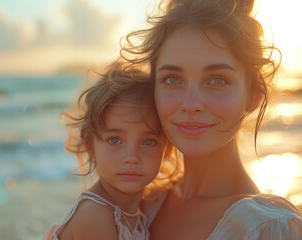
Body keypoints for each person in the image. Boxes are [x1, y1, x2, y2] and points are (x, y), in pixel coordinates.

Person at [120, 0, 302, 239]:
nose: (191, 104)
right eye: (172, 79)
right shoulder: (139, 206)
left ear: (253, 96)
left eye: (217, 80)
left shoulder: (270, 228)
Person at [44, 62, 178, 240]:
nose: (132, 157)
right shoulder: (95, 216)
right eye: (114, 140)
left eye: (148, 141)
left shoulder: (136, 208)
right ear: (90, 146)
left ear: (167, 150)